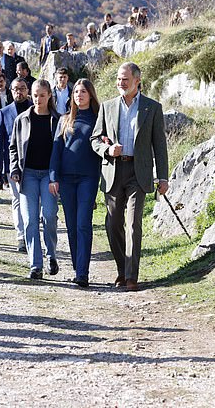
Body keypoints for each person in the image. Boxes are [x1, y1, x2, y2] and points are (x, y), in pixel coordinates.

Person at [90, 62, 168, 291]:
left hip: (139, 172)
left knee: (133, 224)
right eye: (118, 79)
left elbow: (160, 146)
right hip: (113, 170)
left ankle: (132, 276)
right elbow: (95, 139)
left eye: (125, 79)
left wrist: (162, 177)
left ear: (137, 81)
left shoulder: (152, 108)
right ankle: (122, 270)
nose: (120, 83)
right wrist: (107, 150)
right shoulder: (107, 106)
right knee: (113, 223)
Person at [49, 79, 101, 288]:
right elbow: (55, 151)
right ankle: (77, 266)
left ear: (91, 95)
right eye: (76, 92)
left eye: (83, 92)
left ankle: (83, 272)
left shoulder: (99, 120)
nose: (79, 95)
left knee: (83, 224)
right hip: (66, 179)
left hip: (88, 178)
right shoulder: (64, 120)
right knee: (71, 226)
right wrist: (53, 177)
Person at [9, 79, 61, 280]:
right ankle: (35, 265)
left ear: (49, 95)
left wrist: (58, 176)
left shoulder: (58, 120)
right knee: (30, 220)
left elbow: (62, 150)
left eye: (42, 95)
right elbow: (13, 147)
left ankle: (51, 254)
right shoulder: (22, 119)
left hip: (49, 174)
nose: (38, 99)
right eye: (35, 95)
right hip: (28, 174)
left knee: (49, 216)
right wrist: (15, 169)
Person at [0, 78, 32, 253]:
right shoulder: (4, 112)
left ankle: (33, 234)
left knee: (33, 202)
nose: (19, 92)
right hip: (13, 165)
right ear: (11, 91)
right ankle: (21, 237)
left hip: (36, 163)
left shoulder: (37, 109)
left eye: (22, 88)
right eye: (16, 89)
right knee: (17, 200)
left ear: (27, 90)